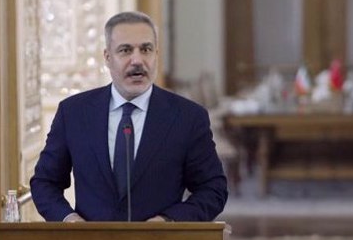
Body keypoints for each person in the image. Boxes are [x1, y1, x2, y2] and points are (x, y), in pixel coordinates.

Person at [31, 11, 228, 222]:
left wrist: (169, 221)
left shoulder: (188, 117)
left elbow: (212, 189)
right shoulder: (74, 113)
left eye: (146, 50)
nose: (137, 60)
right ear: (107, 57)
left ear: (156, 55)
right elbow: (45, 182)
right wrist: (68, 219)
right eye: (125, 50)